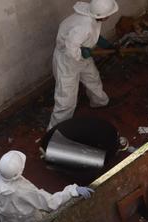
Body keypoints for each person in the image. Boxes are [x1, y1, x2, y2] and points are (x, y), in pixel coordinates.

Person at [0, 150, 94, 222]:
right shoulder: (23, 189)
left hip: (8, 220)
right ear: (17, 173)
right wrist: (72, 191)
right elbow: (50, 203)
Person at [47, 0, 120, 130]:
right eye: (109, 14)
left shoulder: (93, 16)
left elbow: (93, 34)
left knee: (93, 78)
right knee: (66, 99)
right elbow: (71, 47)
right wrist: (83, 53)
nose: (109, 16)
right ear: (102, 15)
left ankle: (99, 102)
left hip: (81, 55)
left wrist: (106, 45)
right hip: (67, 60)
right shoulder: (83, 25)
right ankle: (54, 131)